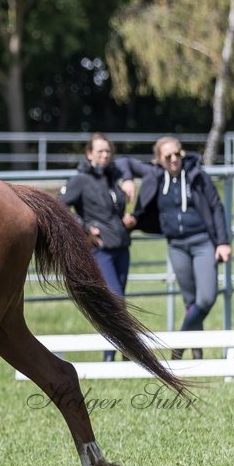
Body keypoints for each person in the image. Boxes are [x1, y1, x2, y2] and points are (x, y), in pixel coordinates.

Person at [124, 136, 233, 360]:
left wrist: (223, 241)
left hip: (202, 241)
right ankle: (197, 353)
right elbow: (124, 164)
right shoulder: (155, 178)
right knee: (190, 301)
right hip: (176, 244)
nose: (174, 159)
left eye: (177, 154)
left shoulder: (197, 175)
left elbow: (216, 206)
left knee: (206, 298)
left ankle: (178, 346)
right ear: (159, 159)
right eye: (168, 156)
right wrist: (134, 216)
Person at [59, 134, 146, 361]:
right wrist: (84, 226)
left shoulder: (113, 176)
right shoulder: (80, 179)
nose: (105, 155)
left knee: (117, 300)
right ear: (89, 154)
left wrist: (126, 219)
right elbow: (59, 207)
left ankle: (116, 352)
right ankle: (121, 352)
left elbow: (128, 166)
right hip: (100, 250)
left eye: (108, 151)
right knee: (115, 300)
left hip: (121, 247)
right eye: (100, 151)